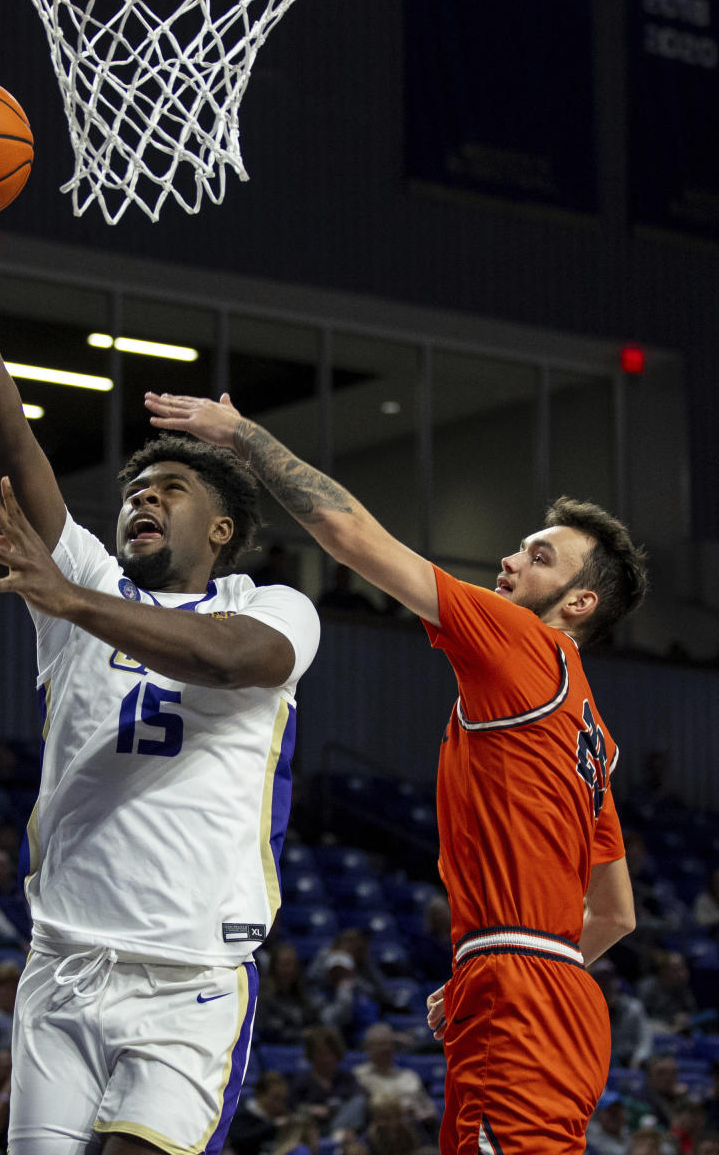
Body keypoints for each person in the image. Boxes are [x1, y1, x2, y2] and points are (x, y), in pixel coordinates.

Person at [0, 154, 320, 1155]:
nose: (143, 497)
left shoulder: (273, 605)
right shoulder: (77, 577)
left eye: (170, 487)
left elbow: (227, 659)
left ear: (222, 530)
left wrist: (70, 600)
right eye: (133, 488)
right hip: (63, 959)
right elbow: (8, 450)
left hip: (190, 974)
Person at [144, 390, 649, 1155]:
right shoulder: (592, 734)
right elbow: (613, 915)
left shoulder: (520, 643)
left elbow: (348, 533)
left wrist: (244, 435)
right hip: (553, 992)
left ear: (579, 602)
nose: (511, 560)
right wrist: (506, 956)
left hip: (520, 990)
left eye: (539, 556)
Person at [227, 1070, 290, 1155]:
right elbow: (239, 1140)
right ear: (259, 1095)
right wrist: (272, 1126)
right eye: (275, 1098)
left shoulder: (283, 1117)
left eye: (282, 1099)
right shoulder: (241, 1115)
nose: (280, 1104)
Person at [586, 1090, 632, 1155]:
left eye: (617, 1112)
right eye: (610, 1112)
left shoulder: (627, 1134)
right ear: (599, 1115)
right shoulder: (590, 1137)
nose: (614, 1117)